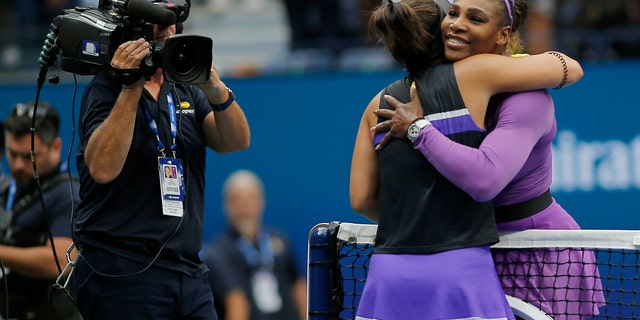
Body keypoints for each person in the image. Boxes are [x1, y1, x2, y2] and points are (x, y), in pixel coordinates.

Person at [349, 0, 584, 318]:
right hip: (469, 249)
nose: (457, 24)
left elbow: (484, 179)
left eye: (474, 18)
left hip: (533, 250)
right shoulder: (468, 77)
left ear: (502, 34)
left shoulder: (524, 96)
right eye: (453, 13)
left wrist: (419, 130)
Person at [71, 16, 251, 320]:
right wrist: (130, 87)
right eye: (161, 25)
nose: (171, 32)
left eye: (175, 24)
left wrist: (216, 90)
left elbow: (235, 141)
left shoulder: (184, 88)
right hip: (123, 272)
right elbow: (102, 169)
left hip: (187, 269)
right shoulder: (105, 88)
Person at [0, 101, 79, 319]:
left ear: (55, 147)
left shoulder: (68, 194)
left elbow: (62, 262)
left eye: (29, 157)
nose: (17, 165)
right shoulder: (8, 189)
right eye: (12, 154)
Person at [202, 169, 306, 320]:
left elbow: (298, 287)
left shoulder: (280, 240)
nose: (244, 207)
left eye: (250, 199)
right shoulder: (217, 253)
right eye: (237, 200)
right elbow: (236, 303)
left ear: (261, 203)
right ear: (226, 205)